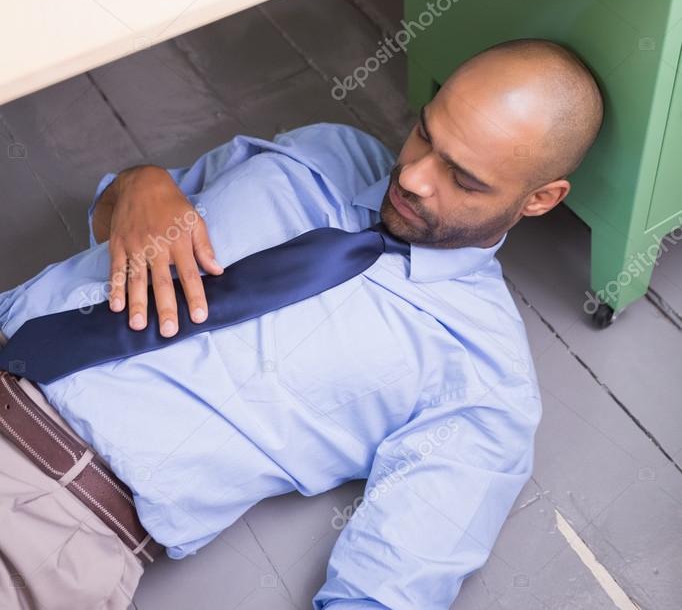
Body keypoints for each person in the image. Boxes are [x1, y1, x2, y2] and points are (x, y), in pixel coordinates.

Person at [0, 37, 604, 610]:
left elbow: (388, 587)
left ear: (541, 199)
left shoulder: (484, 378)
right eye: (424, 133)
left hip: (49, 512)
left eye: (463, 179)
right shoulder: (326, 150)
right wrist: (140, 183)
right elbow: (118, 225)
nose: (414, 176)